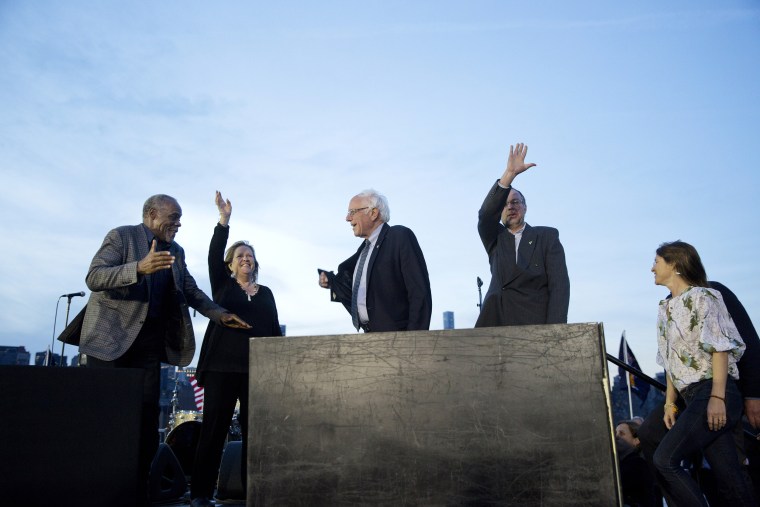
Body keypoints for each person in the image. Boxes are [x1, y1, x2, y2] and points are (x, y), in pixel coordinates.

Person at [80, 194, 251, 505]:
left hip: (148, 348)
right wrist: (139, 267)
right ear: (151, 215)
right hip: (111, 344)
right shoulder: (122, 236)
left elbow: (191, 290)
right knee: (108, 420)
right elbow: (94, 276)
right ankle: (99, 489)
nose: (178, 223)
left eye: (179, 217)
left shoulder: (177, 251)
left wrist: (219, 313)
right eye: (173, 217)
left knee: (145, 424)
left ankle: (137, 491)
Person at [190, 191, 283, 507]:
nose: (246, 258)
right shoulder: (223, 286)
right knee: (214, 431)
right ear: (230, 264)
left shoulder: (266, 292)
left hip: (256, 371)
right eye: (240, 255)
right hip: (221, 368)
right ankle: (201, 493)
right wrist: (223, 221)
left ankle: (251, 492)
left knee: (255, 435)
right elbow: (214, 253)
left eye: (250, 255)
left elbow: (273, 330)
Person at [649, 240, 756, 505]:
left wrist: (717, 399)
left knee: (665, 460)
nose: (651, 268)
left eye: (656, 262)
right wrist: (670, 403)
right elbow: (670, 360)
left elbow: (719, 348)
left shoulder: (705, 296)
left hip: (714, 391)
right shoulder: (665, 308)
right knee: (729, 478)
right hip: (690, 395)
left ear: (673, 264)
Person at [475, 143, 570, 327]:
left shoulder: (546, 237)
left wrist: (555, 332)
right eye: (505, 204)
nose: (511, 207)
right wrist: (509, 175)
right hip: (496, 326)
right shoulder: (495, 239)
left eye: (516, 202)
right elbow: (485, 215)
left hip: (533, 326)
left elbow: (559, 288)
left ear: (525, 207)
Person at [318, 189, 432, 332]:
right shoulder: (363, 251)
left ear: (373, 213)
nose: (347, 218)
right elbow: (358, 293)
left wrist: (415, 340)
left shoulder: (399, 237)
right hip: (370, 337)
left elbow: (419, 293)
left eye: (353, 212)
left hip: (399, 339)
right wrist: (331, 282)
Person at [615, 419, 657, 507]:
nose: (616, 436)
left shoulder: (639, 465)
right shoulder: (622, 464)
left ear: (636, 440)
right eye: (615, 433)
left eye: (621, 433)